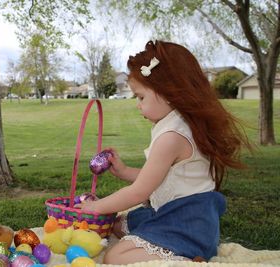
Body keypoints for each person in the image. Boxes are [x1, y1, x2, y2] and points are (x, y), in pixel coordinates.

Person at [77, 40, 251, 264]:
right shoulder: (174, 122)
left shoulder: (172, 136)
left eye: (141, 97)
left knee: (115, 257)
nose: (138, 105)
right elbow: (159, 177)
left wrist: (96, 207)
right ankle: (165, 243)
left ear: (168, 93)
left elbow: (139, 192)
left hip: (188, 221)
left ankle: (186, 256)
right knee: (118, 224)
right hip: (170, 211)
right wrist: (125, 170)